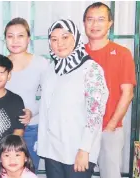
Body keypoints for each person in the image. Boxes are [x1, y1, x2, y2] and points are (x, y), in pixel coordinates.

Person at [37, 19, 109, 178]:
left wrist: (85, 149)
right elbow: (47, 105)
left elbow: (95, 114)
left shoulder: (91, 69)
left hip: (77, 150)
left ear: (76, 38)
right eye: (54, 39)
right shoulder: (51, 69)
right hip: (52, 150)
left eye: (65, 37)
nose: (59, 44)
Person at [83, 2, 137, 178]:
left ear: (110, 23)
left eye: (100, 19)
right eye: (90, 20)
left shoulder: (122, 53)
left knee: (110, 174)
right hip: (81, 129)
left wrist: (112, 124)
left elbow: (128, 93)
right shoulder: (78, 54)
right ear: (84, 23)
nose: (95, 24)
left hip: (109, 129)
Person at [4, 17, 49, 172]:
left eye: (20, 36)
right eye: (10, 36)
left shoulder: (41, 63)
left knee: (28, 172)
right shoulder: (1, 64)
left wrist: (32, 111)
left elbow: (49, 96)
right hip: (4, 130)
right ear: (5, 39)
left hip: (31, 129)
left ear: (28, 39)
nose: (15, 41)